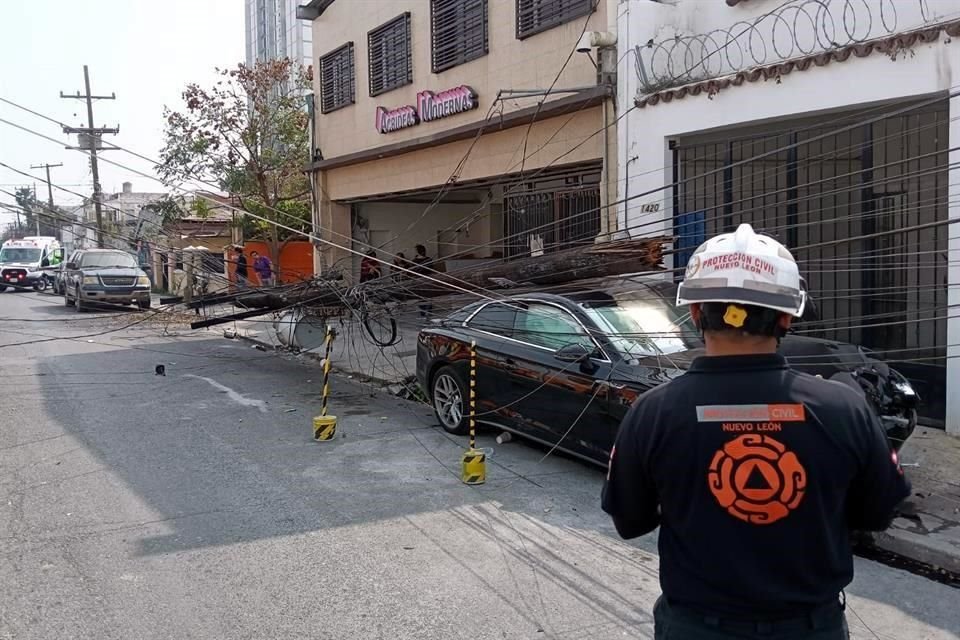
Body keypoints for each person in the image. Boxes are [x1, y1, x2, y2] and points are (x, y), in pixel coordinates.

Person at [602, 223, 910, 640]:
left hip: (695, 628)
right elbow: (876, 511)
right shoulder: (842, 407)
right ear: (787, 316)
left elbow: (630, 521)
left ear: (694, 312)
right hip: (808, 628)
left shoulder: (653, 412)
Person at [411, 244, 433, 318]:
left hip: (424, 279)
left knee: (424, 295)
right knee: (423, 296)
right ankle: (425, 310)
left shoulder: (427, 260)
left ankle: (426, 310)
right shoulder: (415, 260)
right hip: (421, 280)